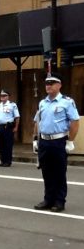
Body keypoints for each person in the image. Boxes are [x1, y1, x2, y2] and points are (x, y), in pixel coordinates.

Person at [33, 73, 80, 212]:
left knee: (59, 172)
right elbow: (37, 121)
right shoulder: (42, 102)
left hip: (59, 141)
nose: (48, 86)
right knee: (46, 172)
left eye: (52, 83)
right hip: (45, 141)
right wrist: (36, 139)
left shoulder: (67, 102)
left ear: (59, 85)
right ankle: (48, 199)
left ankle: (59, 201)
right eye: (47, 83)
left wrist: (70, 141)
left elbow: (75, 121)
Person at [0, 90, 20, 167]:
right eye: (1, 96)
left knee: (8, 144)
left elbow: (17, 117)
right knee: (1, 144)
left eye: (4, 96)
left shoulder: (12, 105)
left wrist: (16, 127)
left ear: (8, 96)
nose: (2, 97)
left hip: (8, 127)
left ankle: (8, 161)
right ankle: (3, 161)